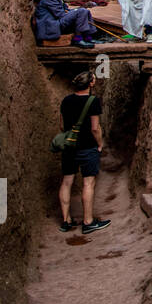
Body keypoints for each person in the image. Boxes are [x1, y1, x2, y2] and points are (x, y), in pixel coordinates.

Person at [58, 70, 110, 235]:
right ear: (91, 83)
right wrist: (100, 144)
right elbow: (95, 128)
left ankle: (66, 221)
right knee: (88, 183)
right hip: (87, 147)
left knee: (67, 182)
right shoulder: (93, 101)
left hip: (69, 147)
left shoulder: (66, 101)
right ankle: (88, 222)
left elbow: (61, 125)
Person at [33, 0, 99, 49]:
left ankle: (88, 38)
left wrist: (83, 7)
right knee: (82, 11)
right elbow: (61, 15)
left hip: (57, 21)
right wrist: (80, 9)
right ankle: (78, 40)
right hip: (51, 25)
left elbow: (66, 11)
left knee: (85, 11)